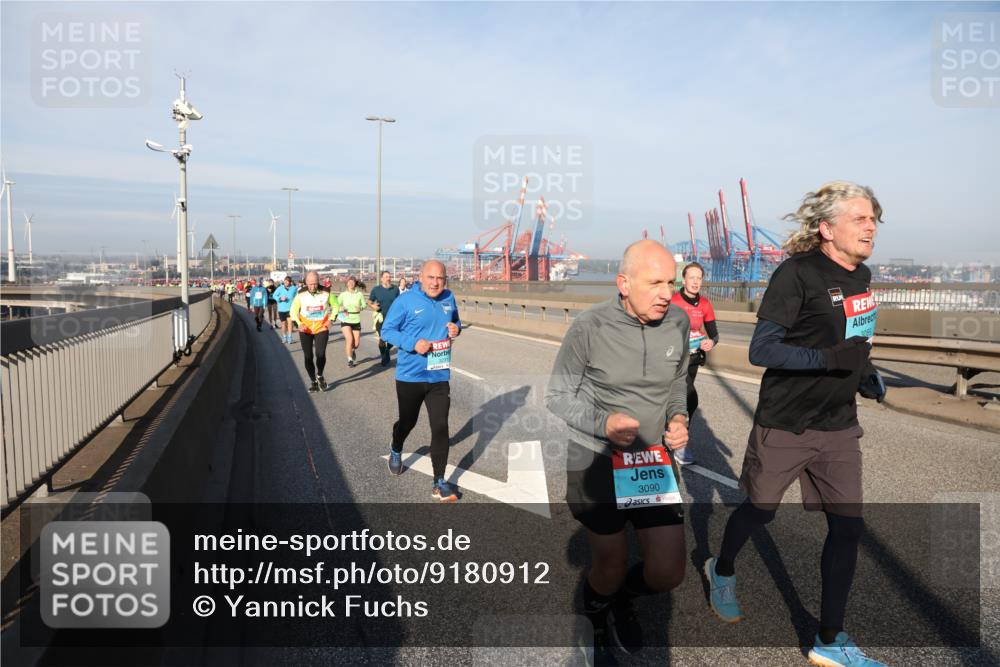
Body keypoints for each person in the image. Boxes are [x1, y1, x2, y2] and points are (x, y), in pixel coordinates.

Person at [703, 182, 887, 667]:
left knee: (848, 528)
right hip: (786, 421)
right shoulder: (796, 274)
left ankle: (829, 640)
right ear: (827, 228)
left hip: (839, 425)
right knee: (759, 512)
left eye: (874, 219)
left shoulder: (863, 276)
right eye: (860, 218)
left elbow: (855, 340)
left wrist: (866, 374)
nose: (871, 226)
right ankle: (721, 568)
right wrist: (829, 358)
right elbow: (761, 349)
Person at [546, 239, 690, 661]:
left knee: (667, 573)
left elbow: (678, 381)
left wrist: (678, 419)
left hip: (650, 460)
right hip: (595, 458)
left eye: (672, 282)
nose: (668, 293)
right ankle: (594, 611)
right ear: (623, 283)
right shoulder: (589, 327)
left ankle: (620, 598)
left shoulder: (678, 322)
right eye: (656, 283)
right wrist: (602, 423)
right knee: (607, 565)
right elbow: (556, 396)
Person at [380, 260, 462, 502]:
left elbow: (455, 321)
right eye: (431, 277)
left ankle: (439, 481)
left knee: (440, 426)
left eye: (441, 278)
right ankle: (396, 447)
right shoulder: (405, 300)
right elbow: (387, 330)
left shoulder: (449, 297)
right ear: (421, 277)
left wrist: (456, 329)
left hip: (438, 375)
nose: (436, 283)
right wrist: (412, 343)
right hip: (410, 376)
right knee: (408, 422)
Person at [668, 261, 719, 466]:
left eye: (699, 278)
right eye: (692, 277)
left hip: (693, 359)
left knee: (682, 400)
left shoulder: (705, 304)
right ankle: (679, 445)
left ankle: (672, 434)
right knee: (689, 398)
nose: (696, 282)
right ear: (684, 279)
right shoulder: (673, 301)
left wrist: (710, 342)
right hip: (672, 359)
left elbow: (714, 334)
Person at [289, 271, 338, 392]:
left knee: (320, 354)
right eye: (310, 284)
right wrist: (299, 323)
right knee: (308, 357)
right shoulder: (301, 294)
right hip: (305, 328)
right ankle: (313, 381)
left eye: (315, 284)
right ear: (306, 282)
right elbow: (293, 311)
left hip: (321, 327)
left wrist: (331, 319)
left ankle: (320, 375)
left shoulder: (326, 292)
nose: (313, 287)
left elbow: (336, 306)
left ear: (319, 282)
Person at [368, 270, 401, 366]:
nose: (389, 278)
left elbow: (399, 302)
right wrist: (373, 306)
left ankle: (387, 350)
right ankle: (383, 356)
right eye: (386, 277)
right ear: (381, 279)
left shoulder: (395, 289)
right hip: (381, 317)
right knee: (382, 339)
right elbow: (369, 302)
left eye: (389, 276)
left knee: (393, 339)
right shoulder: (376, 289)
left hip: (393, 318)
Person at [338, 276, 366, 367]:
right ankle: (350, 360)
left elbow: (364, 305)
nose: (351, 284)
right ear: (347, 284)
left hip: (356, 319)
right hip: (346, 319)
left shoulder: (359, 294)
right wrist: (340, 308)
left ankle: (353, 350)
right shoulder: (343, 294)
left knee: (356, 343)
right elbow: (335, 305)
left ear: (355, 284)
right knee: (349, 339)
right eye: (349, 282)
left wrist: (360, 307)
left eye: (353, 282)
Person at [274, 275, 299, 344]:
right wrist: (279, 298)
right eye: (285, 281)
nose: (286, 283)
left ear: (290, 282)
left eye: (287, 282)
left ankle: (290, 337)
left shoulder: (294, 288)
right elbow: (274, 295)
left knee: (290, 323)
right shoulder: (280, 288)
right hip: (281, 309)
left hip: (290, 308)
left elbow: (297, 297)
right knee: (283, 323)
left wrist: (295, 303)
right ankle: (284, 337)